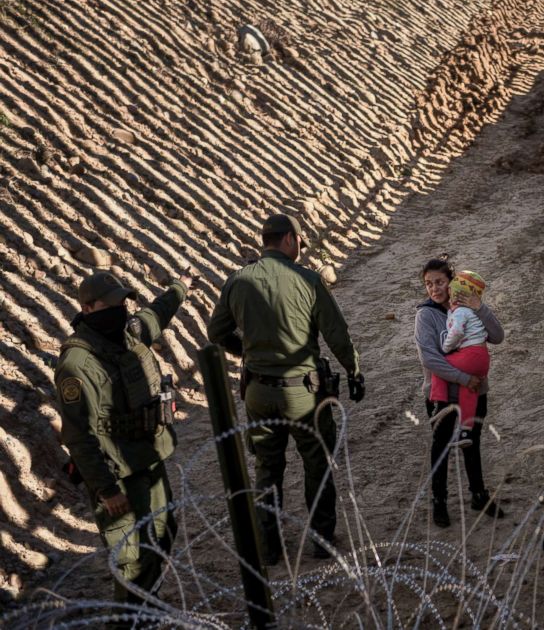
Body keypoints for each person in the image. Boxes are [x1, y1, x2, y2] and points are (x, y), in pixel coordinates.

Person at [207, 214, 364, 563]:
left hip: (258, 392)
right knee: (317, 464)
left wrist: (247, 351)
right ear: (290, 239)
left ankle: (269, 547)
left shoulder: (238, 281)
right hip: (303, 393)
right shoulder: (307, 279)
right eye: (300, 242)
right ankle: (321, 541)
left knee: (267, 468)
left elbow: (215, 333)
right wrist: (354, 370)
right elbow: (336, 334)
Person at [55, 270, 191, 612]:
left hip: (149, 458)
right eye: (113, 304)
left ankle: (149, 610)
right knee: (132, 562)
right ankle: (130, 619)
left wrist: (180, 286)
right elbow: (77, 436)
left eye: (123, 303)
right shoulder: (77, 363)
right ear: (88, 308)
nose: (122, 309)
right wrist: (106, 489)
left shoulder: (129, 333)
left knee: (161, 535)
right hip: (118, 478)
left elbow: (158, 312)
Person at [415, 256, 505, 527]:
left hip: (476, 391)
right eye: (428, 284)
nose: (434, 289)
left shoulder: (469, 305)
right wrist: (463, 378)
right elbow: (429, 358)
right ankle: (439, 502)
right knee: (441, 446)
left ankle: (479, 495)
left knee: (472, 442)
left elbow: (498, 336)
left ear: (451, 281)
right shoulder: (425, 315)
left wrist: (481, 307)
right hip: (443, 393)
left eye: (440, 282)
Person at [429, 270, 491, 446]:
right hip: (482, 360)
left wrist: (446, 348)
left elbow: (456, 332)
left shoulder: (460, 312)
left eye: (450, 289)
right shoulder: (471, 312)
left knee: (439, 366)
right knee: (469, 389)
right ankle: (465, 432)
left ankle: (438, 403)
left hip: (470, 356)